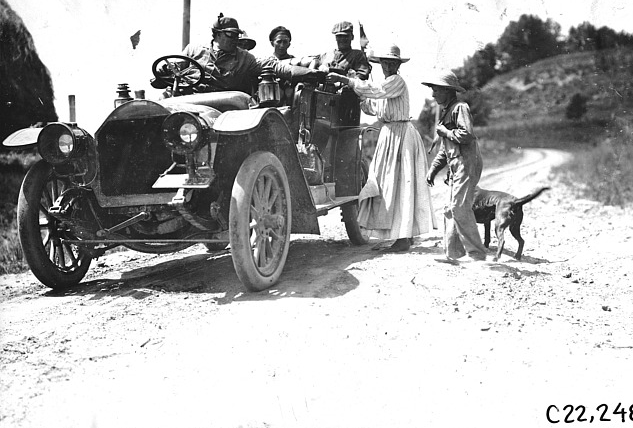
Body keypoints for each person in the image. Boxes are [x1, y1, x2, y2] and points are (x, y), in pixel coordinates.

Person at [326, 44, 436, 252]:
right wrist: (359, 95)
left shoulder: (396, 81)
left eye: (392, 63)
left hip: (401, 134)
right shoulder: (387, 85)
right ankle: (403, 235)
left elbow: (376, 92)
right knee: (390, 184)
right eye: (385, 62)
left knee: (399, 184)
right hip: (389, 134)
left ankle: (403, 238)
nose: (388, 66)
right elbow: (373, 106)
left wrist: (348, 81)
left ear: (397, 65)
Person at [156, 15, 323, 96]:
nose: (235, 39)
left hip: (222, 105)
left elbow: (278, 67)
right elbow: (174, 69)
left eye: (237, 34)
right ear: (217, 34)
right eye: (230, 34)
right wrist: (165, 71)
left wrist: (312, 73)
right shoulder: (194, 50)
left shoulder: (245, 59)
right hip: (188, 100)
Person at [423, 70, 487, 262]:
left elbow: (466, 135)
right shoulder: (447, 111)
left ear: (448, 91)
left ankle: (476, 254)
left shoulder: (460, 107)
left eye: (436, 91)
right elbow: (445, 148)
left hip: (466, 163)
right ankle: (454, 253)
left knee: (459, 207)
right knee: (452, 208)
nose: (433, 95)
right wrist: (434, 168)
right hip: (456, 164)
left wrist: (444, 131)